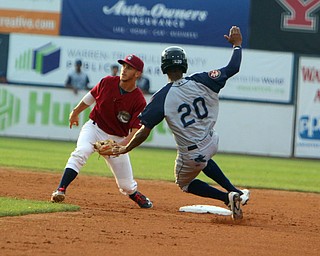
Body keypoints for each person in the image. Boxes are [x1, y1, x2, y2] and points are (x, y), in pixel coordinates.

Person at [112, 26, 250, 219]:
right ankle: (234, 190)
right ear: (184, 64)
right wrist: (237, 45)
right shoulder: (203, 80)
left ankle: (227, 197)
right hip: (212, 141)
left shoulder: (162, 97)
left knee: (184, 183)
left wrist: (126, 148)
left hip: (192, 153)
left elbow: (144, 131)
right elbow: (233, 68)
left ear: (163, 67)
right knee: (205, 160)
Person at [51, 54, 153, 209]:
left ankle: (134, 194)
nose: (124, 70)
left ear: (138, 74)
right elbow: (91, 96)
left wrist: (121, 146)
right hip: (94, 128)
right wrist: (75, 112)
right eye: (123, 66)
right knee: (81, 151)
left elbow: (135, 131)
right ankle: (61, 189)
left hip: (118, 138)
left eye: (129, 68)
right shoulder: (107, 82)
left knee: (126, 185)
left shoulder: (139, 100)